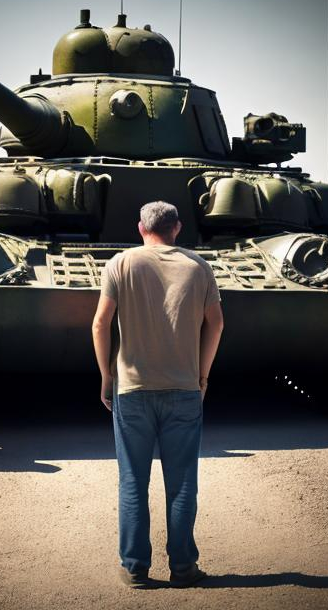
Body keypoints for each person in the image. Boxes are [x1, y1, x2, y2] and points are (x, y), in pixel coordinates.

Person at [92, 200, 224, 589]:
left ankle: (135, 567)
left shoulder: (121, 263)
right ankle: (183, 568)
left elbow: (100, 323)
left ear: (140, 227)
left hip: (131, 390)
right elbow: (215, 325)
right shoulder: (199, 266)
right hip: (184, 389)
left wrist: (106, 375)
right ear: (177, 228)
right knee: (182, 482)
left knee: (132, 480)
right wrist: (202, 376)